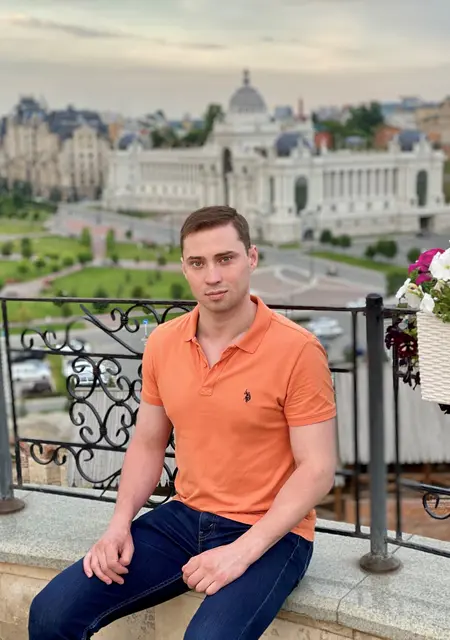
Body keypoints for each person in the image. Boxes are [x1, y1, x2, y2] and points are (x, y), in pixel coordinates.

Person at [29, 205, 337, 640]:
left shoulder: (299, 350)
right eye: (198, 263)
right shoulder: (163, 342)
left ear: (251, 258)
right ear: (184, 268)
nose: (213, 276)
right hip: (184, 517)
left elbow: (317, 469)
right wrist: (118, 525)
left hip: (273, 532)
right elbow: (148, 443)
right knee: (50, 614)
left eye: (225, 259)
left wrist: (240, 553)